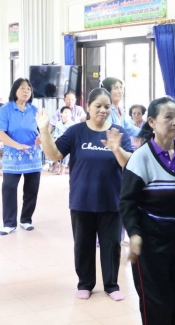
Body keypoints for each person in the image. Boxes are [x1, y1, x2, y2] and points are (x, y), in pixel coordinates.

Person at [37, 88, 133, 301]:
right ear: (88, 107)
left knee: (111, 245)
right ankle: (85, 283)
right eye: (98, 106)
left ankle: (111, 285)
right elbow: (54, 154)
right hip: (82, 199)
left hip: (112, 200)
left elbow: (128, 163)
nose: (103, 110)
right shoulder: (76, 132)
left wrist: (116, 149)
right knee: (83, 245)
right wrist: (44, 130)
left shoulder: (118, 132)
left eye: (107, 106)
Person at [120, 97, 175, 325]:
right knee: (156, 306)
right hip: (151, 245)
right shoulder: (141, 157)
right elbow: (127, 201)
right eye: (168, 117)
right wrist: (135, 234)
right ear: (152, 122)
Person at [0, 78, 43, 235]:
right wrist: (17, 145)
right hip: (12, 156)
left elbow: (44, 131)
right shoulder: (6, 109)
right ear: (15, 90)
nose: (26, 91)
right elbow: (0, 133)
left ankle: (26, 219)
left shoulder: (35, 110)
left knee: (31, 189)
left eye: (28, 89)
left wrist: (41, 138)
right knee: (8, 188)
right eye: (22, 88)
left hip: (33, 155)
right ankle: (9, 223)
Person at [48, 106, 75, 174]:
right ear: (61, 114)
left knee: (66, 150)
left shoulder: (72, 124)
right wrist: (54, 139)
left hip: (68, 141)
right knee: (50, 145)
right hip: (59, 140)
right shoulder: (58, 123)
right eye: (65, 112)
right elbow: (56, 133)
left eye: (69, 113)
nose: (67, 114)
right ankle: (53, 163)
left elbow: (71, 135)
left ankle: (63, 168)